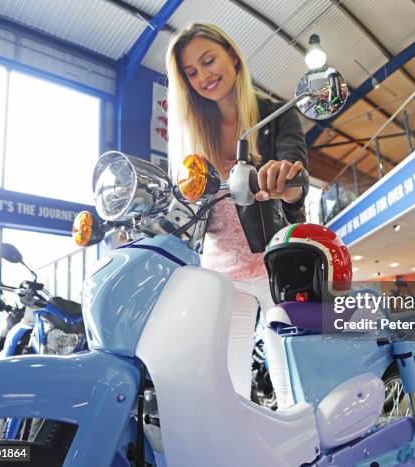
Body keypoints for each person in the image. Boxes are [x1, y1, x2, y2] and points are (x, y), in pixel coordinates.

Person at [166, 23, 309, 408]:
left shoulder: (275, 114)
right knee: (229, 384)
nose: (203, 77)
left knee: (292, 378)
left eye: (208, 60)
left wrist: (284, 179)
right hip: (220, 269)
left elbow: (298, 180)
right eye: (190, 73)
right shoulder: (194, 132)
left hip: (275, 261)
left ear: (232, 54)